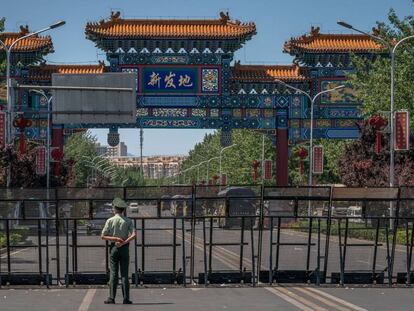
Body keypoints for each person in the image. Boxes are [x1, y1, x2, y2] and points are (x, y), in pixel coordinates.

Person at [101, 197, 136, 304]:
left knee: (113, 273)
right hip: (124, 248)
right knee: (125, 274)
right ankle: (126, 298)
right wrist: (124, 242)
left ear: (115, 209)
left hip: (114, 247)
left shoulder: (110, 220)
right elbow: (134, 235)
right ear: (123, 210)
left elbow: (103, 236)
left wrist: (115, 239)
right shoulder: (128, 221)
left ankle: (112, 297)